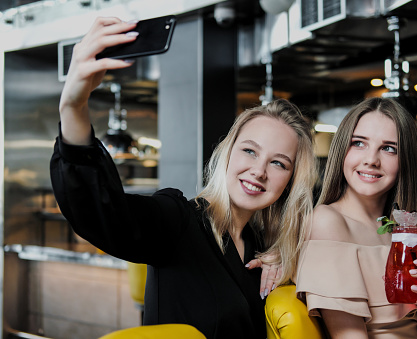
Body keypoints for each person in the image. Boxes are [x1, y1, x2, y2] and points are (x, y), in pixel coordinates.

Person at [50, 17, 317, 339]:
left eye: (278, 163)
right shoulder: (178, 219)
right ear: (226, 152)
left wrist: (287, 259)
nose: (259, 170)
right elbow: (101, 212)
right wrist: (73, 105)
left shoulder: (259, 244)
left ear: (290, 181)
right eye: (249, 151)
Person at [295, 97, 417, 338]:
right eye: (359, 143)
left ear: (406, 161)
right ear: (342, 150)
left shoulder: (404, 230)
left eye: (389, 148)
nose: (371, 159)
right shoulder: (327, 221)